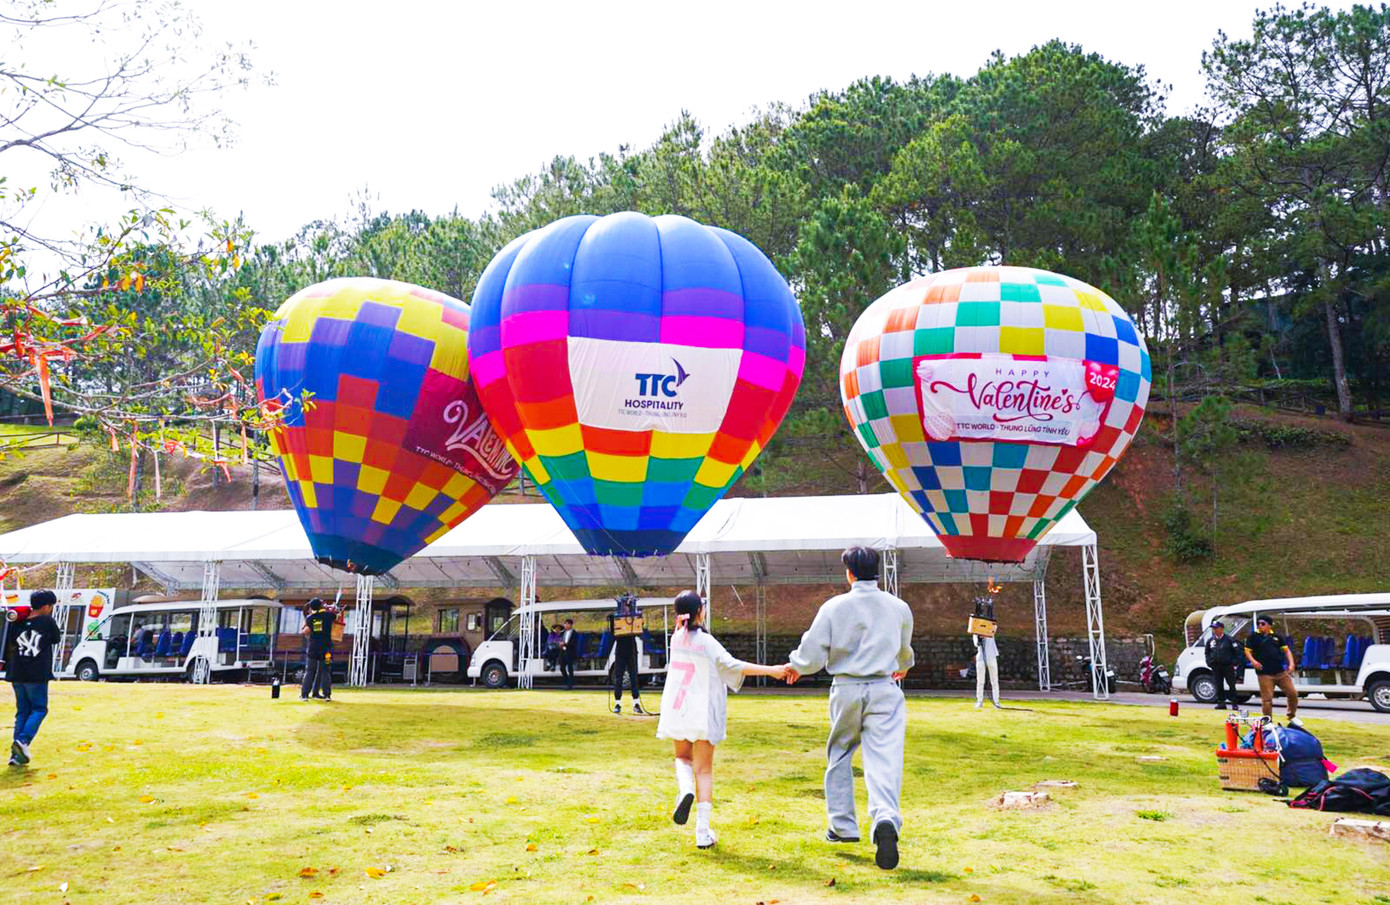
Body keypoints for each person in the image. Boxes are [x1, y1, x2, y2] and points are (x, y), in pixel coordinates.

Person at [784, 546, 914, 871]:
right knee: (884, 758)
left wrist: (795, 666)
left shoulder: (834, 607)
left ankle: (842, 826)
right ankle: (885, 818)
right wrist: (904, 665)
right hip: (885, 688)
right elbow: (904, 651)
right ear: (878, 571)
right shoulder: (898, 607)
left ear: (849, 573)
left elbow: (813, 650)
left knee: (840, 754)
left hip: (845, 687)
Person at [656, 590, 787, 850]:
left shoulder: (676, 639)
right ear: (699, 612)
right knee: (703, 770)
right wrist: (772, 671)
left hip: (678, 707)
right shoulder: (706, 642)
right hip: (703, 710)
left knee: (682, 757)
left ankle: (684, 790)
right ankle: (702, 831)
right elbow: (733, 665)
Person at [6, 590, 61, 767]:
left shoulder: (17, 622)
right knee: (39, 709)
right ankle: (23, 741)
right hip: (36, 674)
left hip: (17, 673)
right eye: (51, 606)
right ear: (46, 606)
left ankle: (16, 755)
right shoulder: (47, 621)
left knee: (22, 711)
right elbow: (56, 638)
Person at [1245, 615, 1299, 724]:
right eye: (1258, 624)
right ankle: (1267, 721)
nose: (1260, 626)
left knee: (1292, 693)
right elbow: (1247, 651)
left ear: (1269, 625)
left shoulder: (1277, 637)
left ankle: (1291, 716)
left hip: (1280, 672)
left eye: (1263, 623)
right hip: (1264, 673)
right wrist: (1253, 661)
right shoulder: (1253, 637)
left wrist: (1291, 663)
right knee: (1267, 699)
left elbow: (1287, 651)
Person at [611, 595, 646, 715]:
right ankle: (617, 704)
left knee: (634, 678)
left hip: (631, 651)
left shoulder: (634, 619)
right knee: (619, 678)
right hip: (620, 651)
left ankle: (636, 704)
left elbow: (640, 632)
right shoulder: (616, 619)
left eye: (627, 607)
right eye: (624, 607)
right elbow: (614, 633)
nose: (626, 610)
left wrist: (640, 622)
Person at [299, 598, 335, 702]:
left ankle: (304, 695)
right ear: (321, 606)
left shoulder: (310, 618)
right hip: (326, 650)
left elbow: (305, 630)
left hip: (313, 649)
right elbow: (337, 616)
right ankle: (327, 695)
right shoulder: (329, 616)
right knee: (326, 671)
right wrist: (332, 608)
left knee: (309, 671)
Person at [1204, 620, 1243, 710]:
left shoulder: (1229, 639)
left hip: (1228, 666)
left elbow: (1237, 652)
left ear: (1221, 629)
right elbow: (1207, 652)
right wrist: (1209, 661)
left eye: (1216, 628)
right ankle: (1221, 702)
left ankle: (1234, 703)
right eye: (1213, 628)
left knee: (1231, 684)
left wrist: (1234, 662)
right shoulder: (1210, 640)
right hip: (1216, 666)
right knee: (1218, 684)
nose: (1214, 630)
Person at [973, 630, 1001, 710]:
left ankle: (996, 702)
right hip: (981, 658)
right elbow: (976, 644)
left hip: (992, 656)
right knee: (980, 681)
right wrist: (979, 637)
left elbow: (994, 629)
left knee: (994, 681)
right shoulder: (976, 631)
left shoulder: (990, 628)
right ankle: (979, 701)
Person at [559, 619, 577, 690]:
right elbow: (561, 640)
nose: (566, 625)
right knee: (562, 668)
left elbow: (574, 643)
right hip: (563, 651)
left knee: (570, 668)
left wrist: (566, 644)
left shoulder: (574, 633)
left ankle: (570, 684)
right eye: (565, 624)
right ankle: (567, 681)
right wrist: (560, 644)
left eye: (568, 624)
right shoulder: (563, 633)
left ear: (571, 625)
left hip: (570, 652)